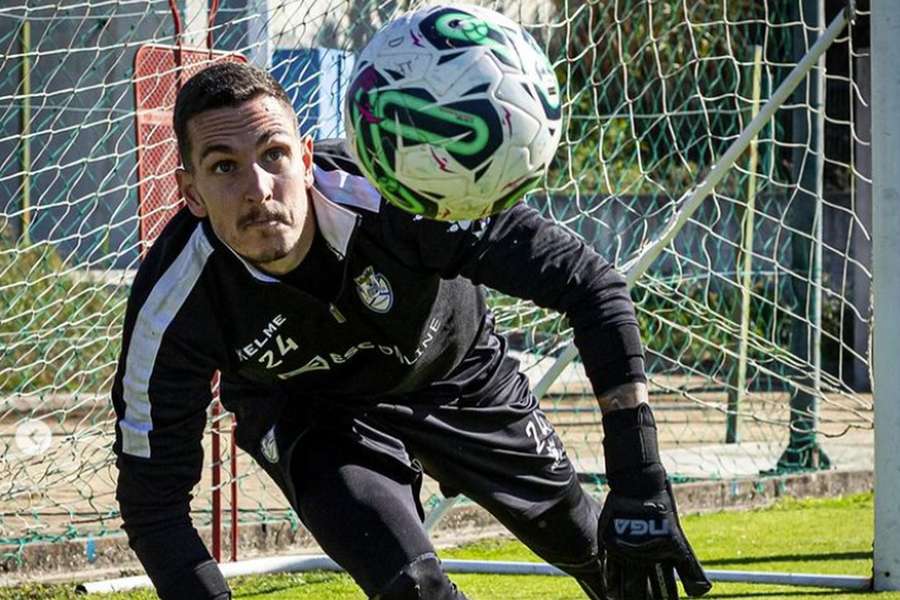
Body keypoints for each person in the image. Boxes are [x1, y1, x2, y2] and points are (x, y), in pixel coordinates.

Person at [112, 61, 711, 600]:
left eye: (274, 154)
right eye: (224, 167)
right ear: (189, 193)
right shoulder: (172, 305)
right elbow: (151, 505)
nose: (259, 189)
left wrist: (639, 476)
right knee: (413, 591)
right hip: (313, 415)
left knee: (608, 558)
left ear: (308, 158)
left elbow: (591, 286)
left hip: (458, 375)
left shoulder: (404, 193)